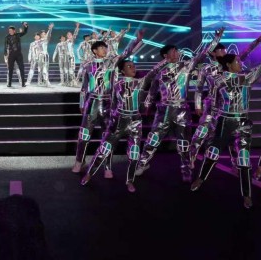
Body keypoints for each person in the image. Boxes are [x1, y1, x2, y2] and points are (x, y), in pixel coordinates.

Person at [190, 43, 261, 208]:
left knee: (244, 159)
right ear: (228, 64)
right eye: (236, 61)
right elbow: (213, 102)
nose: (240, 63)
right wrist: (212, 120)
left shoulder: (247, 77)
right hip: (224, 120)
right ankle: (201, 178)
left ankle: (247, 194)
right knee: (213, 152)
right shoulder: (217, 80)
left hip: (243, 122)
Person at [135, 28, 224, 182]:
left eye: (177, 50)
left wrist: (216, 39)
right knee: (153, 139)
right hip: (163, 110)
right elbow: (152, 89)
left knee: (184, 143)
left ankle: (186, 169)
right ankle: (142, 164)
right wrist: (148, 105)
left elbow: (202, 54)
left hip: (181, 109)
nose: (177, 53)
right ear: (165, 55)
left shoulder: (186, 66)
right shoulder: (159, 71)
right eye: (173, 51)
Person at [81, 37, 165, 193]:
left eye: (133, 66)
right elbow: (112, 102)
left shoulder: (141, 82)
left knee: (134, 153)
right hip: (118, 120)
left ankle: (130, 180)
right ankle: (89, 173)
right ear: (122, 71)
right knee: (104, 148)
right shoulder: (116, 84)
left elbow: (154, 71)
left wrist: (166, 59)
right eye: (129, 66)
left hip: (135, 121)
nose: (133, 68)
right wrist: (112, 117)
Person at [191, 31, 261, 169]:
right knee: (201, 132)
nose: (224, 53)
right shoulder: (206, 69)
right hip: (211, 106)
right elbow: (199, 88)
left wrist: (258, 40)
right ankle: (191, 157)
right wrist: (198, 105)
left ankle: (236, 164)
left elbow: (246, 51)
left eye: (225, 51)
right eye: (221, 51)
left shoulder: (230, 64)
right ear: (213, 53)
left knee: (233, 136)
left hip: (228, 107)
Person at [72, 30, 144, 173]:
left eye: (105, 48)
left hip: (108, 103)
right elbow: (84, 87)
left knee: (108, 136)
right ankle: (79, 160)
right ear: (94, 50)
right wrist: (81, 104)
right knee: (84, 134)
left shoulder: (111, 62)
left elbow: (126, 53)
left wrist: (136, 40)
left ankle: (107, 165)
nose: (105, 50)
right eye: (101, 48)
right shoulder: (88, 65)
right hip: (91, 103)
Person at [4, 22, 28, 88]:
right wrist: (5, 54)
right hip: (11, 54)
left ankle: (23, 83)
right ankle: (9, 83)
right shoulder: (7, 37)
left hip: (18, 54)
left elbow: (24, 32)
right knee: (10, 69)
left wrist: (25, 26)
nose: (10, 32)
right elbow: (5, 46)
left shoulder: (17, 35)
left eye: (11, 30)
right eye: (9, 31)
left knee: (21, 68)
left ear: (14, 31)